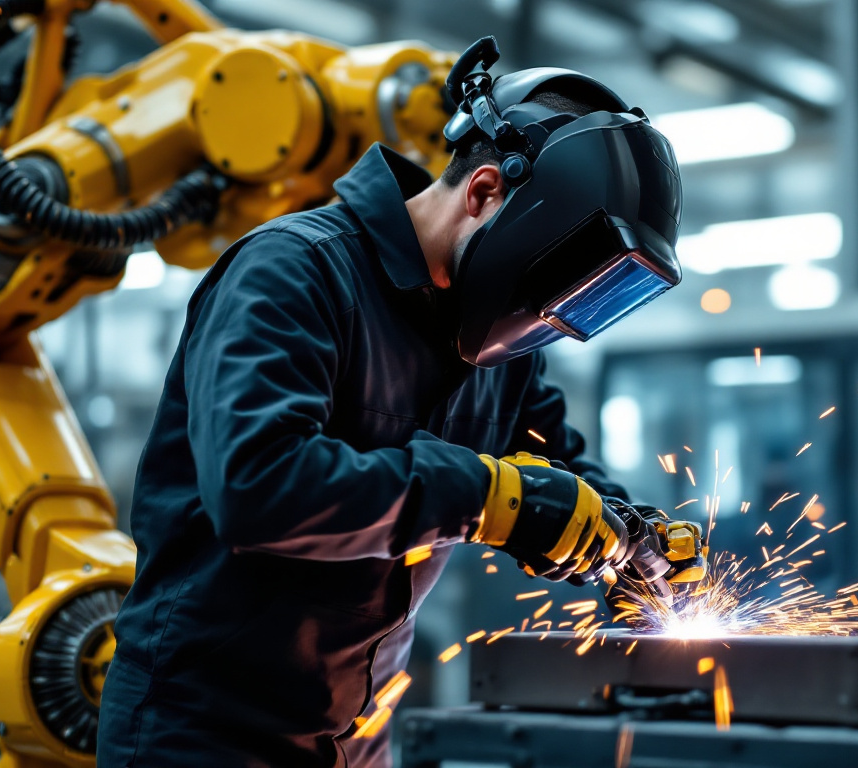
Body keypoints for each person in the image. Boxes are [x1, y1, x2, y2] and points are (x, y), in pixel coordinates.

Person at [97, 40, 698, 767]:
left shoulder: (497, 342)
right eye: (549, 281)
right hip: (202, 736)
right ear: (483, 193)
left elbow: (557, 471)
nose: (544, 318)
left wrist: (632, 539)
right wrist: (486, 499)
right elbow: (257, 484)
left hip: (357, 735)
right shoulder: (294, 271)